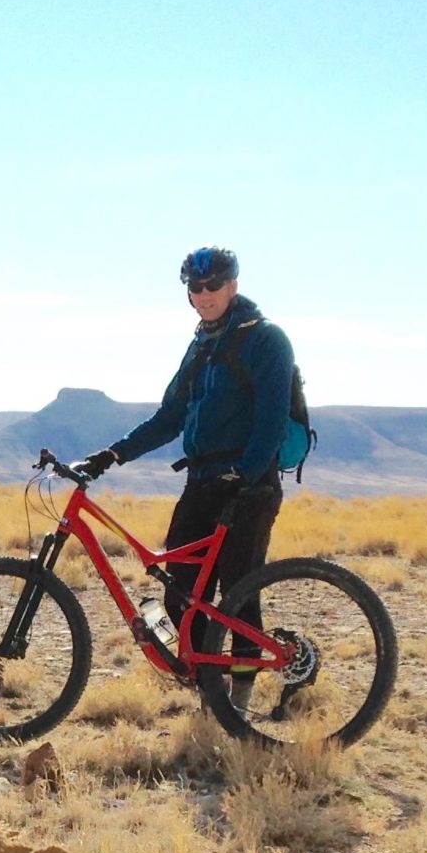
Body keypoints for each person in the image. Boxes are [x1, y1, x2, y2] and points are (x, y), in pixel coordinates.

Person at [71, 246, 294, 702]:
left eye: (214, 285)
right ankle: (205, 680)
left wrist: (246, 476)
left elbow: (272, 421)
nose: (205, 294)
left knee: (239, 592)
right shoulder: (202, 345)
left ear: (233, 286)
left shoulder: (266, 339)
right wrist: (113, 454)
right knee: (178, 594)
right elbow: (169, 417)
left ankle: (238, 703)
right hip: (202, 483)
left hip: (248, 485)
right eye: (196, 288)